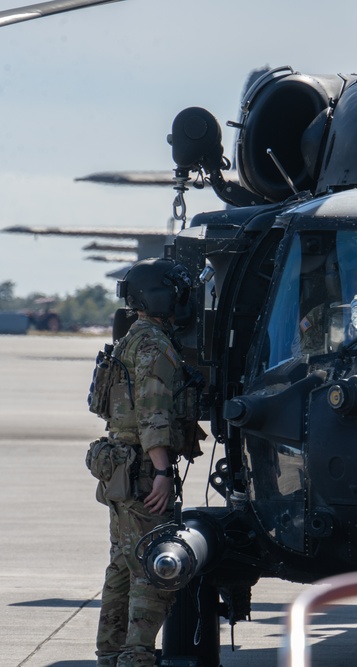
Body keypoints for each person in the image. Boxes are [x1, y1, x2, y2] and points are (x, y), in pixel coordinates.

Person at [89, 257, 203, 667]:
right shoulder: (154, 345)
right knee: (151, 569)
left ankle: (111, 651)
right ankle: (136, 655)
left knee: (122, 563)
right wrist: (160, 471)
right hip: (139, 471)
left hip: (119, 467)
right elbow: (153, 414)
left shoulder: (131, 339)